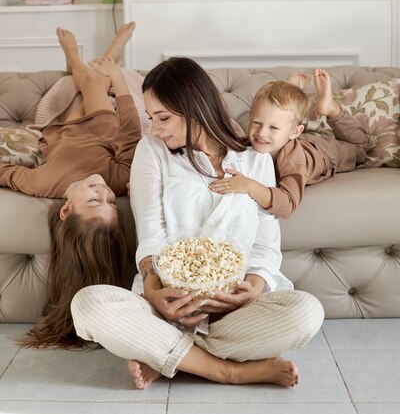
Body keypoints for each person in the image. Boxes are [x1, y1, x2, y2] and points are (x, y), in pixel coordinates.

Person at [70, 57, 324, 390]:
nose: (156, 128)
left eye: (163, 118)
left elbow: (265, 239)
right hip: (167, 305)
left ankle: (171, 359)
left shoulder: (255, 158)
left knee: (307, 312)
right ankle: (229, 371)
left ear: (195, 108)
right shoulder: (153, 150)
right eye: (151, 118)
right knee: (87, 305)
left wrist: (254, 287)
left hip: (234, 313)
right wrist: (152, 287)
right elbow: (149, 227)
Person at [0, 24, 139, 348]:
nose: (105, 193)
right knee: (96, 81)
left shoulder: (40, 182)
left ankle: (76, 57)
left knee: (86, 83)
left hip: (61, 130)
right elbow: (131, 134)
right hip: (103, 123)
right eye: (110, 203)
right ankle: (108, 53)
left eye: (94, 201)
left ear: (66, 209)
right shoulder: (117, 180)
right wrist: (119, 82)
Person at [208, 68, 372, 218]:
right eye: (256, 123)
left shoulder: (293, 161)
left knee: (361, 147)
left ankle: (330, 107)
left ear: (295, 132)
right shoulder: (258, 139)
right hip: (293, 139)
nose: (261, 133)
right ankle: (289, 88)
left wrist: (250, 186)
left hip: (323, 151)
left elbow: (287, 205)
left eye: (273, 127)